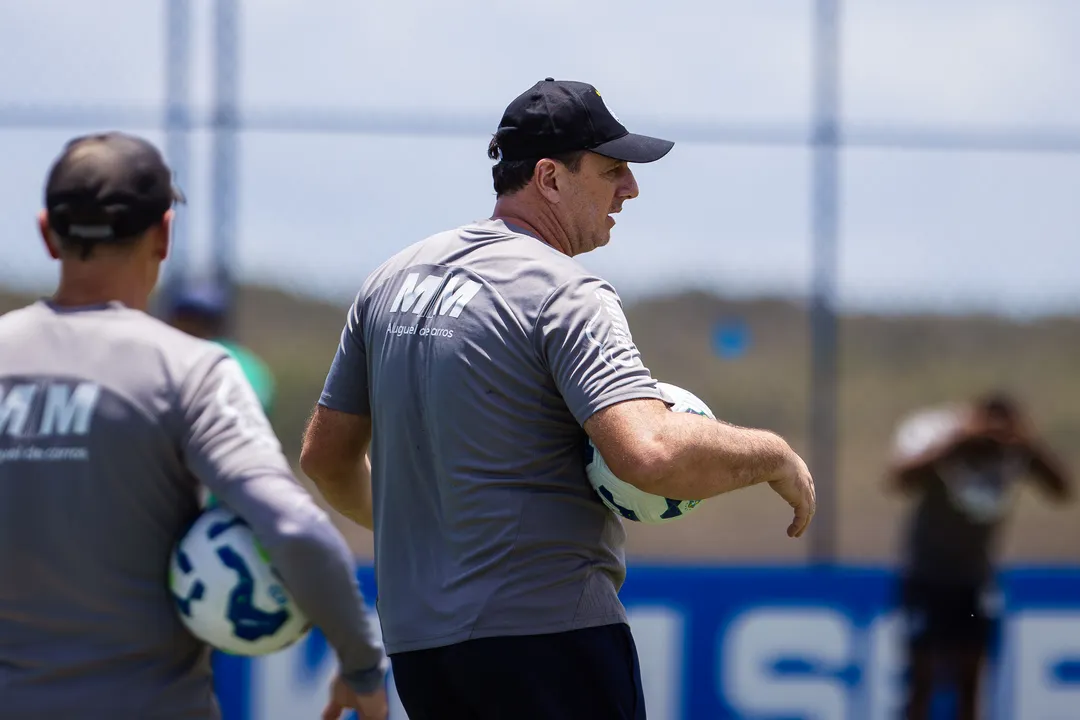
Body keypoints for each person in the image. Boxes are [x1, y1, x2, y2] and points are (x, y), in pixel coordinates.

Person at [300, 78, 816, 720]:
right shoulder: (565, 292)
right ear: (549, 177)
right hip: (549, 642)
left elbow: (325, 458)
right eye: (612, 170)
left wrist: (431, 530)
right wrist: (770, 454)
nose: (630, 189)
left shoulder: (391, 280)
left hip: (424, 652)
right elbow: (649, 454)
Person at [0, 132, 389, 720]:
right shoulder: (190, 370)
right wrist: (360, 663)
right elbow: (294, 528)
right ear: (163, 233)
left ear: (47, 233)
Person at [887, 392, 1071, 720]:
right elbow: (899, 478)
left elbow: (1062, 489)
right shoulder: (948, 445)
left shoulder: (1012, 454)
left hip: (974, 582)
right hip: (926, 578)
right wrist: (959, 441)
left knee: (970, 680)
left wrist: (1029, 444)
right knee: (922, 680)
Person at [166, 281, 277, 416]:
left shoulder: (243, 365)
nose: (192, 327)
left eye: (202, 321)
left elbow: (256, 405)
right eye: (185, 318)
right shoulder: (170, 358)